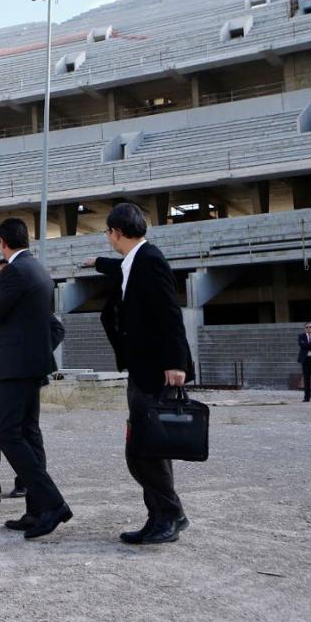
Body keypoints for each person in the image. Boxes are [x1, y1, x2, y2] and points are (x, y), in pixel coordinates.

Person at [86, 202, 194, 546]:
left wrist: (177, 363)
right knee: (145, 449)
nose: (107, 238)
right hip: (142, 369)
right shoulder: (136, 261)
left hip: (156, 372)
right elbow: (121, 271)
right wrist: (99, 264)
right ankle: (158, 515)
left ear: (116, 232)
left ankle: (171, 515)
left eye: (107, 233)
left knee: (146, 449)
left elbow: (170, 314)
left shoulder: (151, 261)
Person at [0, 218, 72, 540]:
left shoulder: (13, 271)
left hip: (13, 369)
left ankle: (53, 504)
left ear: (2, 242)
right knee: (27, 433)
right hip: (30, 368)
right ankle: (36, 509)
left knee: (6, 433)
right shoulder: (39, 270)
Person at [0, 258, 66, 506]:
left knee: (25, 431)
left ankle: (30, 486)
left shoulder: (28, 305)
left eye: (8, 274)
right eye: (1, 275)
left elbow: (56, 330)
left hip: (21, 375)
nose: (5, 278)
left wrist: (32, 355)